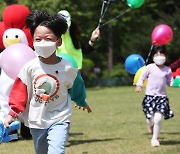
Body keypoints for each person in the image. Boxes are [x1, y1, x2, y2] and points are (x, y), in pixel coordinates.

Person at [4, 10, 92, 154]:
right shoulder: (29, 68)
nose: (43, 43)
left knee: (56, 150)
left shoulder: (68, 68)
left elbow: (77, 87)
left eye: (48, 38)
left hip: (60, 117)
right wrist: (12, 113)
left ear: (58, 42)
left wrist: (81, 101)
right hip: (36, 120)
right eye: (38, 39)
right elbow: (19, 92)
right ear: (33, 41)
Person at [135, 45, 174, 147]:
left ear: (166, 56)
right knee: (149, 118)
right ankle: (150, 125)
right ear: (153, 57)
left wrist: (177, 82)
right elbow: (142, 77)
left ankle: (155, 139)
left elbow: (171, 82)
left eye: (161, 54)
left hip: (162, 98)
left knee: (158, 118)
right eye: (157, 54)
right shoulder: (150, 67)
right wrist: (139, 85)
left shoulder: (167, 70)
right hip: (149, 97)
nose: (159, 56)